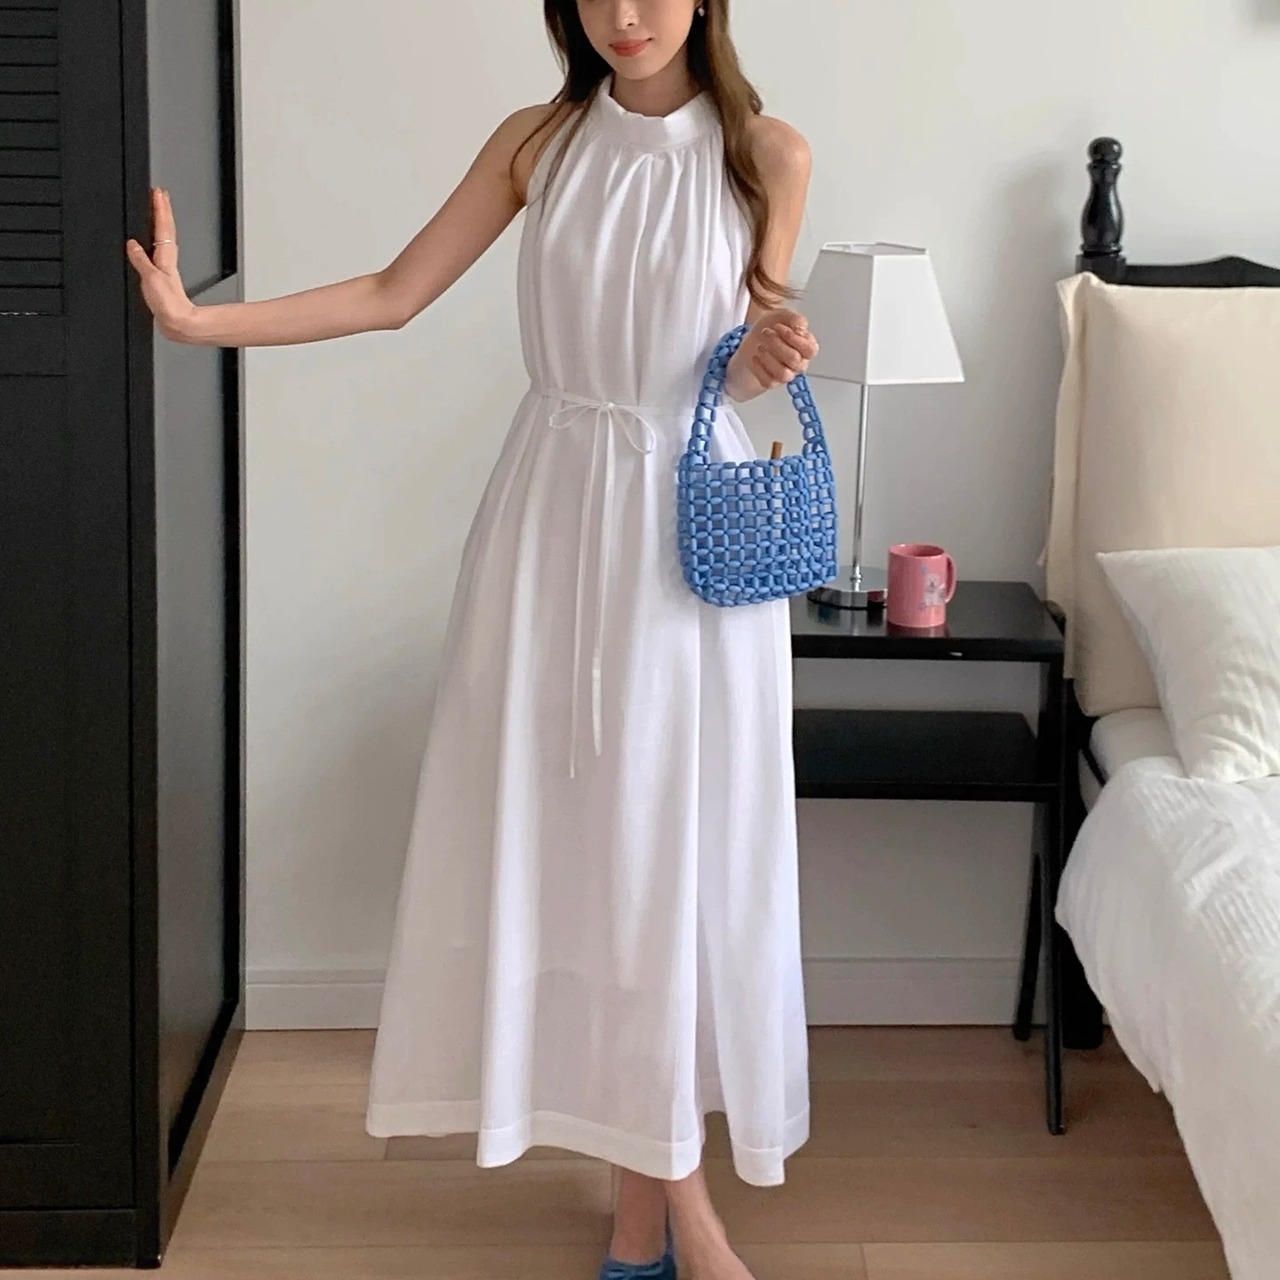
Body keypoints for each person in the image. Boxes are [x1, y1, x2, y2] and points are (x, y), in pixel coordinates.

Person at [128, 2, 818, 1277]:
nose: (623, 15)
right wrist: (197, 323)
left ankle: (661, 1210)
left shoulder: (767, 154)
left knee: (666, 856)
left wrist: (764, 355)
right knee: (586, 853)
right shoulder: (535, 143)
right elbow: (392, 292)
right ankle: (663, 1211)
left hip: (685, 530)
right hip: (552, 519)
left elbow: (721, 372)